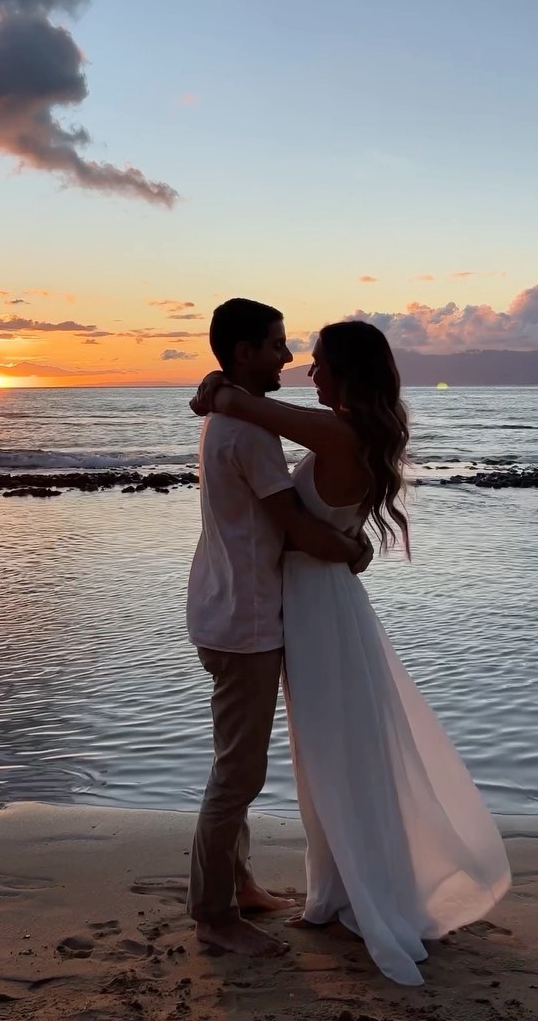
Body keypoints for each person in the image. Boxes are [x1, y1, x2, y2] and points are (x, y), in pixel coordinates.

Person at [191, 318, 511, 985]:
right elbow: (288, 487)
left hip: (315, 610)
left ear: (346, 372)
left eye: (318, 362)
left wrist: (219, 388)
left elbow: (283, 497)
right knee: (325, 753)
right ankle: (312, 888)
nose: (305, 369)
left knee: (332, 753)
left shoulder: (335, 432)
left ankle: (334, 889)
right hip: (313, 606)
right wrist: (349, 545)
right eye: (292, 353)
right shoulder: (346, 429)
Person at [186, 299, 372, 958]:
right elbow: (293, 525)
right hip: (246, 622)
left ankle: (238, 887)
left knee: (232, 764)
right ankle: (213, 914)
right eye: (275, 345)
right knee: (238, 775)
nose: (287, 358)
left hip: (226, 609)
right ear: (243, 354)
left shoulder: (229, 419)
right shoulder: (250, 434)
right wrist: (353, 549)